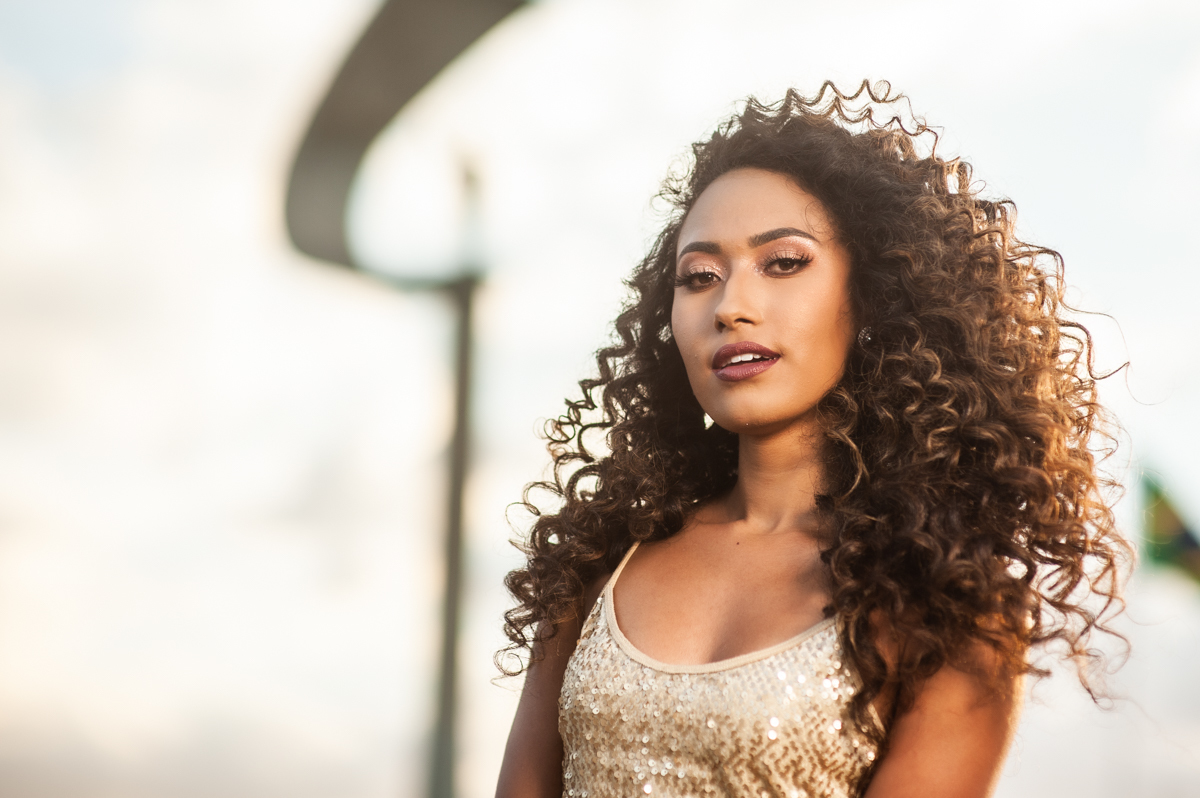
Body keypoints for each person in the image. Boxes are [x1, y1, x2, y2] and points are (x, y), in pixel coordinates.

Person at [494, 81, 1129, 798]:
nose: (732, 306)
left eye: (783, 263)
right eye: (699, 276)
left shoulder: (945, 601)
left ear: (874, 296)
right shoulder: (600, 557)